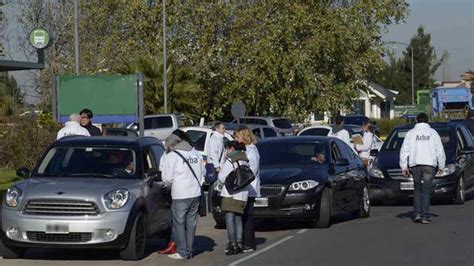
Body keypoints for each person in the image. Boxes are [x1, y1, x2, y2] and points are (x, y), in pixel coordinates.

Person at [162, 129, 205, 260]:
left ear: (171, 145)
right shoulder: (196, 154)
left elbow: (167, 179)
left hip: (180, 194)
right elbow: (202, 174)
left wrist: (169, 187)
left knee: (179, 223)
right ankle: (189, 250)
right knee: (191, 223)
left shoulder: (172, 156)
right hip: (195, 193)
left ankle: (182, 251)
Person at [399, 113, 446, 224]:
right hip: (429, 165)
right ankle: (425, 216)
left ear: (416, 120)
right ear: (427, 120)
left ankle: (417, 214)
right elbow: (439, 150)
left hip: (415, 165)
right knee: (426, 190)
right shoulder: (433, 133)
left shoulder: (411, 133)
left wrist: (404, 166)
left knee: (417, 189)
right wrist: (441, 166)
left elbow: (404, 150)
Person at [218, 141, 251, 255]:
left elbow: (221, 178)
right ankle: (240, 243)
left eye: (227, 149)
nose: (226, 152)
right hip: (243, 194)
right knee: (238, 219)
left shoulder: (230, 160)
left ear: (231, 148)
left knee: (230, 220)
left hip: (230, 193)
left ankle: (233, 244)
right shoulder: (245, 159)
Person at [233, 127, 260, 253]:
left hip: (249, 188)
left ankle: (248, 243)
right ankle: (242, 241)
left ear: (244, 137)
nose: (236, 139)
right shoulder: (245, 150)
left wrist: (240, 179)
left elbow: (252, 171)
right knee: (242, 216)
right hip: (243, 188)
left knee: (247, 216)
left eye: (237, 137)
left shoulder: (251, 151)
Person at [157, 134, 182, 255]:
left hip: (175, 190)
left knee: (177, 219)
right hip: (172, 189)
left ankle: (175, 243)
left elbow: (167, 176)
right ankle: (174, 242)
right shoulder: (166, 155)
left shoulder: (174, 155)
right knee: (175, 218)